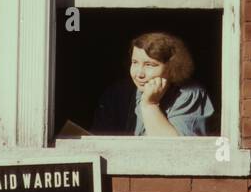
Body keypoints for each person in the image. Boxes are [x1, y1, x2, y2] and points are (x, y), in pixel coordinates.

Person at [60, 32, 215, 138]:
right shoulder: (118, 93)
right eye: (135, 63)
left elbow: (175, 152)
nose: (139, 73)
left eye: (150, 65)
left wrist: (150, 105)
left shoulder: (189, 94)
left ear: (171, 67)